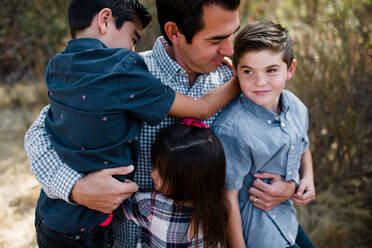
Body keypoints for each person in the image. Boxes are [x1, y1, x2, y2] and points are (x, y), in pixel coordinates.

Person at [24, 1, 312, 247]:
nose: (229, 49)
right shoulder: (124, 74)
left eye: (232, 35)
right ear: (175, 32)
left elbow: (276, 135)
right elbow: (38, 135)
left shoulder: (236, 79)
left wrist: (291, 184)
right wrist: (74, 187)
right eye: (216, 39)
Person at [212, 21, 316, 248]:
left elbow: (302, 146)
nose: (260, 82)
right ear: (236, 71)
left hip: (287, 220)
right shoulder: (232, 129)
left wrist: (308, 179)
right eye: (248, 71)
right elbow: (227, 198)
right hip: (259, 235)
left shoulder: (296, 107)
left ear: (290, 69)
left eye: (271, 70)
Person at [121, 119, 228, 247]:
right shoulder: (217, 211)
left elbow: (118, 204)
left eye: (162, 174)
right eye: (155, 165)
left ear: (186, 182)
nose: (152, 174)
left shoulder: (149, 205)